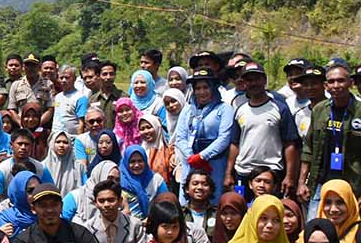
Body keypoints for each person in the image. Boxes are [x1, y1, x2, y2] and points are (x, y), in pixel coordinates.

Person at [301, 64, 361, 219]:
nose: (336, 86)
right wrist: (302, 182)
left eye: (341, 81)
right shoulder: (319, 110)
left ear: (350, 83)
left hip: (352, 185)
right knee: (314, 228)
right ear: (326, 85)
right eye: (332, 81)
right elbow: (308, 149)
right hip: (321, 183)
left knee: (348, 234)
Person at [230, 62, 300, 197]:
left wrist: (290, 176)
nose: (253, 83)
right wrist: (228, 174)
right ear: (244, 83)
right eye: (249, 80)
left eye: (257, 79)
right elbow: (234, 143)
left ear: (264, 80)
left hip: (271, 172)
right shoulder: (240, 110)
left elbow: (290, 144)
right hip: (243, 172)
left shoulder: (280, 108)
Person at [174, 68, 237, 205]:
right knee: (187, 200)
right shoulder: (187, 109)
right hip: (190, 162)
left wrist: (202, 156)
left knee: (212, 200)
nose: (201, 92)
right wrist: (191, 157)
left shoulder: (224, 109)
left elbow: (224, 138)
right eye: (198, 88)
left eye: (205, 87)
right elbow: (180, 137)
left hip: (213, 163)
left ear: (213, 88)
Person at [120, 145, 166, 219]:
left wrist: (151, 218)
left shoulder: (156, 180)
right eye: (132, 161)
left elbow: (165, 203)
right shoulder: (119, 181)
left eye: (140, 161)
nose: (137, 165)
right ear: (126, 162)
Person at [50, 65, 89, 137]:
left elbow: (82, 123)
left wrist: (79, 141)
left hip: (72, 139)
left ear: (74, 79)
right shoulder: (58, 97)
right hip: (56, 138)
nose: (64, 80)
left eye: (67, 78)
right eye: (61, 78)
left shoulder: (80, 98)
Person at [43, 131, 84, 195]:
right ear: (51, 144)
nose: (61, 145)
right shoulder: (42, 166)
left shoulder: (79, 167)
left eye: (65, 142)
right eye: (58, 142)